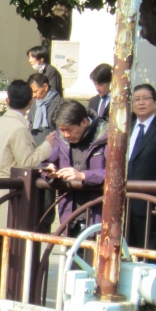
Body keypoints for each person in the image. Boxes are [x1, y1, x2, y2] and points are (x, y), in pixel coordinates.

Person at [0, 80, 53, 222]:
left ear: (7, 100)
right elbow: (26, 162)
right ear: (31, 102)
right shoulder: (19, 128)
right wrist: (48, 145)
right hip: (10, 191)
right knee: (9, 231)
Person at [40, 100, 107, 235]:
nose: (66, 135)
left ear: (84, 122)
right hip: (69, 215)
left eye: (69, 130)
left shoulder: (107, 136)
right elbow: (45, 164)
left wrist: (83, 176)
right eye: (62, 130)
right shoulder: (60, 139)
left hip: (98, 214)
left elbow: (116, 174)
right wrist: (49, 172)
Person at [127, 84, 156, 249]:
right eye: (137, 99)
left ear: (155, 102)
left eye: (146, 98)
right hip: (125, 204)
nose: (141, 103)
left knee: (149, 253)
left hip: (150, 205)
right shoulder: (125, 128)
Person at [26, 72, 62, 146]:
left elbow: (61, 132)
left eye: (35, 91)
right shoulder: (35, 102)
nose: (33, 95)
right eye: (32, 92)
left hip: (51, 149)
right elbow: (30, 121)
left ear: (45, 87)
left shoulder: (60, 104)